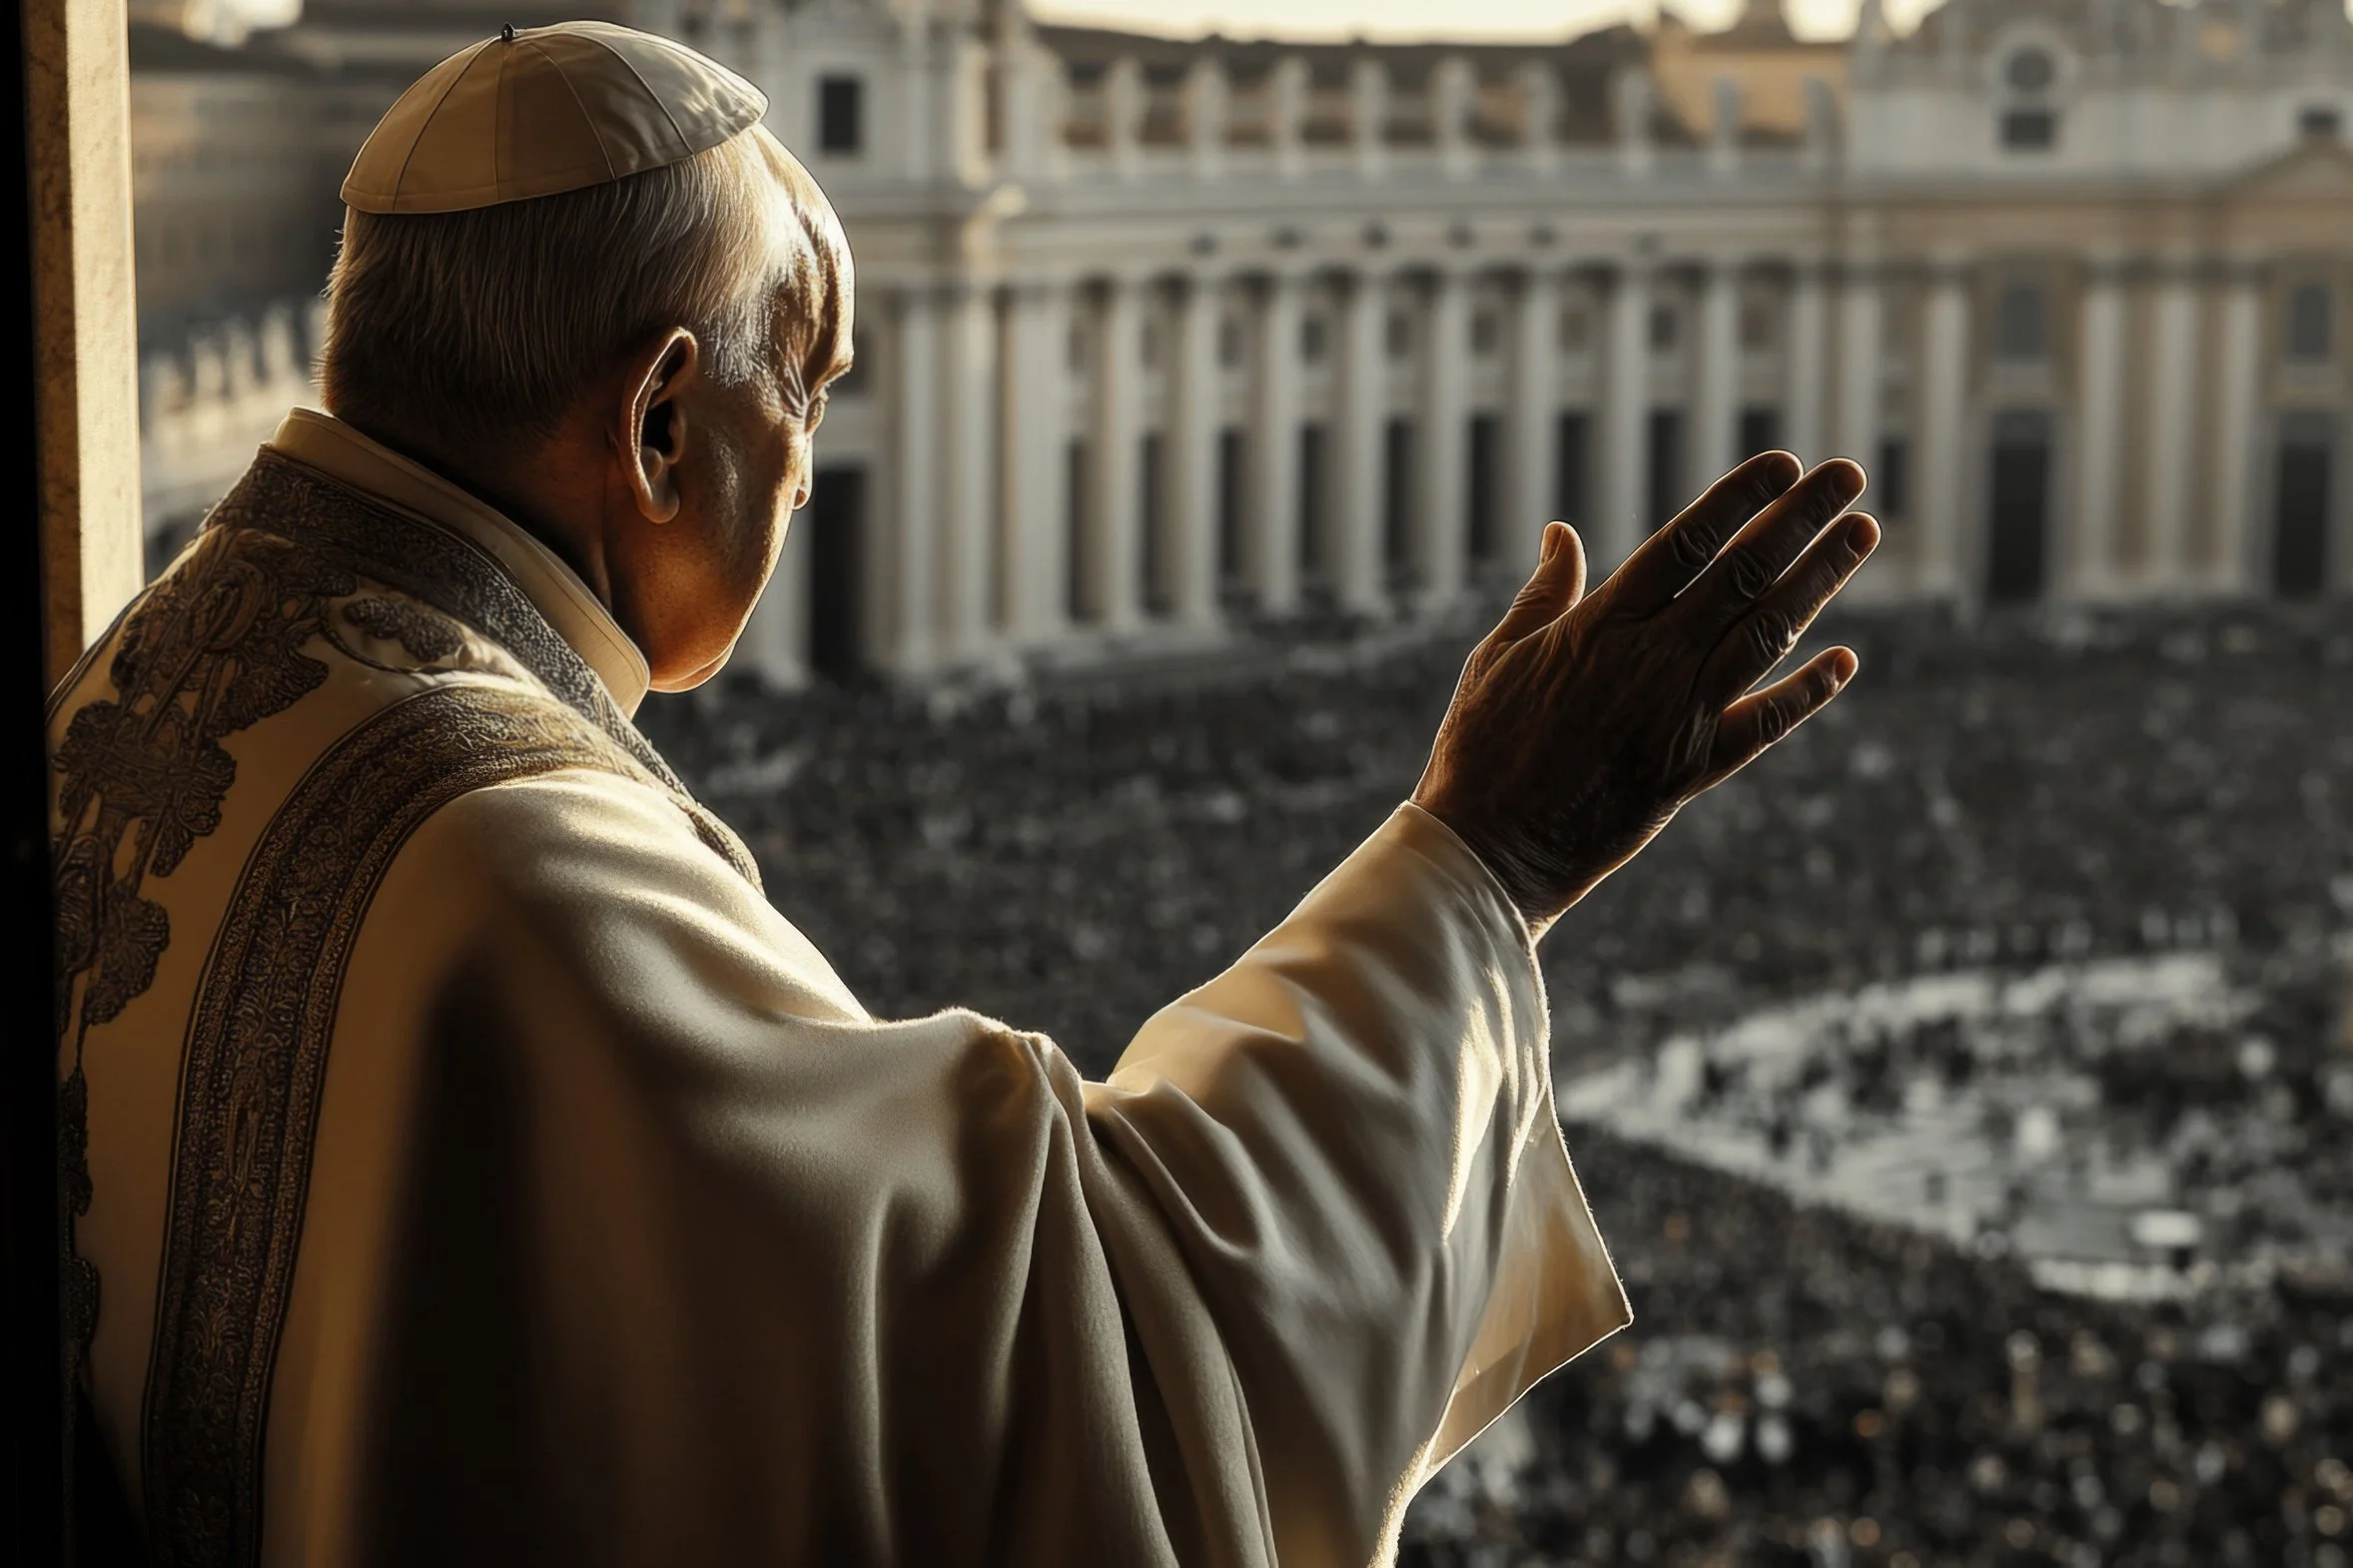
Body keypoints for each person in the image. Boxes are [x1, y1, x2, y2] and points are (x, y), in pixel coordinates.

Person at [46, 22, 1879, 1567]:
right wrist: (1494, 851)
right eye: (809, 392)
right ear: (661, 422)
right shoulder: (515, 869)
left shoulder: (138, 693)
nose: (817, 473)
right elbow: (1122, 1378)